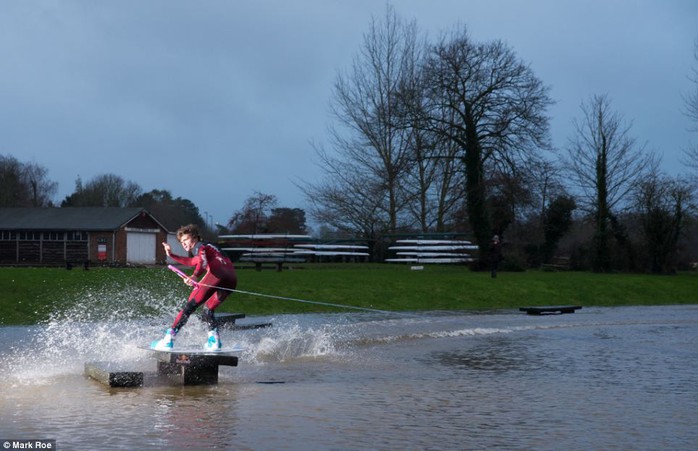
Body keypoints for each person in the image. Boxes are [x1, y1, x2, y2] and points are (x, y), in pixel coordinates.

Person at [151, 224, 238, 351]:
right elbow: (193, 262)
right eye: (181, 242)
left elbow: (202, 262)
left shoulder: (200, 246)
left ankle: (168, 340)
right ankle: (214, 342)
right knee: (208, 309)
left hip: (217, 275)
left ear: (195, 237)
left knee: (189, 307)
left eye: (185, 240)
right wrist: (172, 255)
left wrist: (195, 275)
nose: (184, 244)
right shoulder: (210, 247)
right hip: (231, 279)